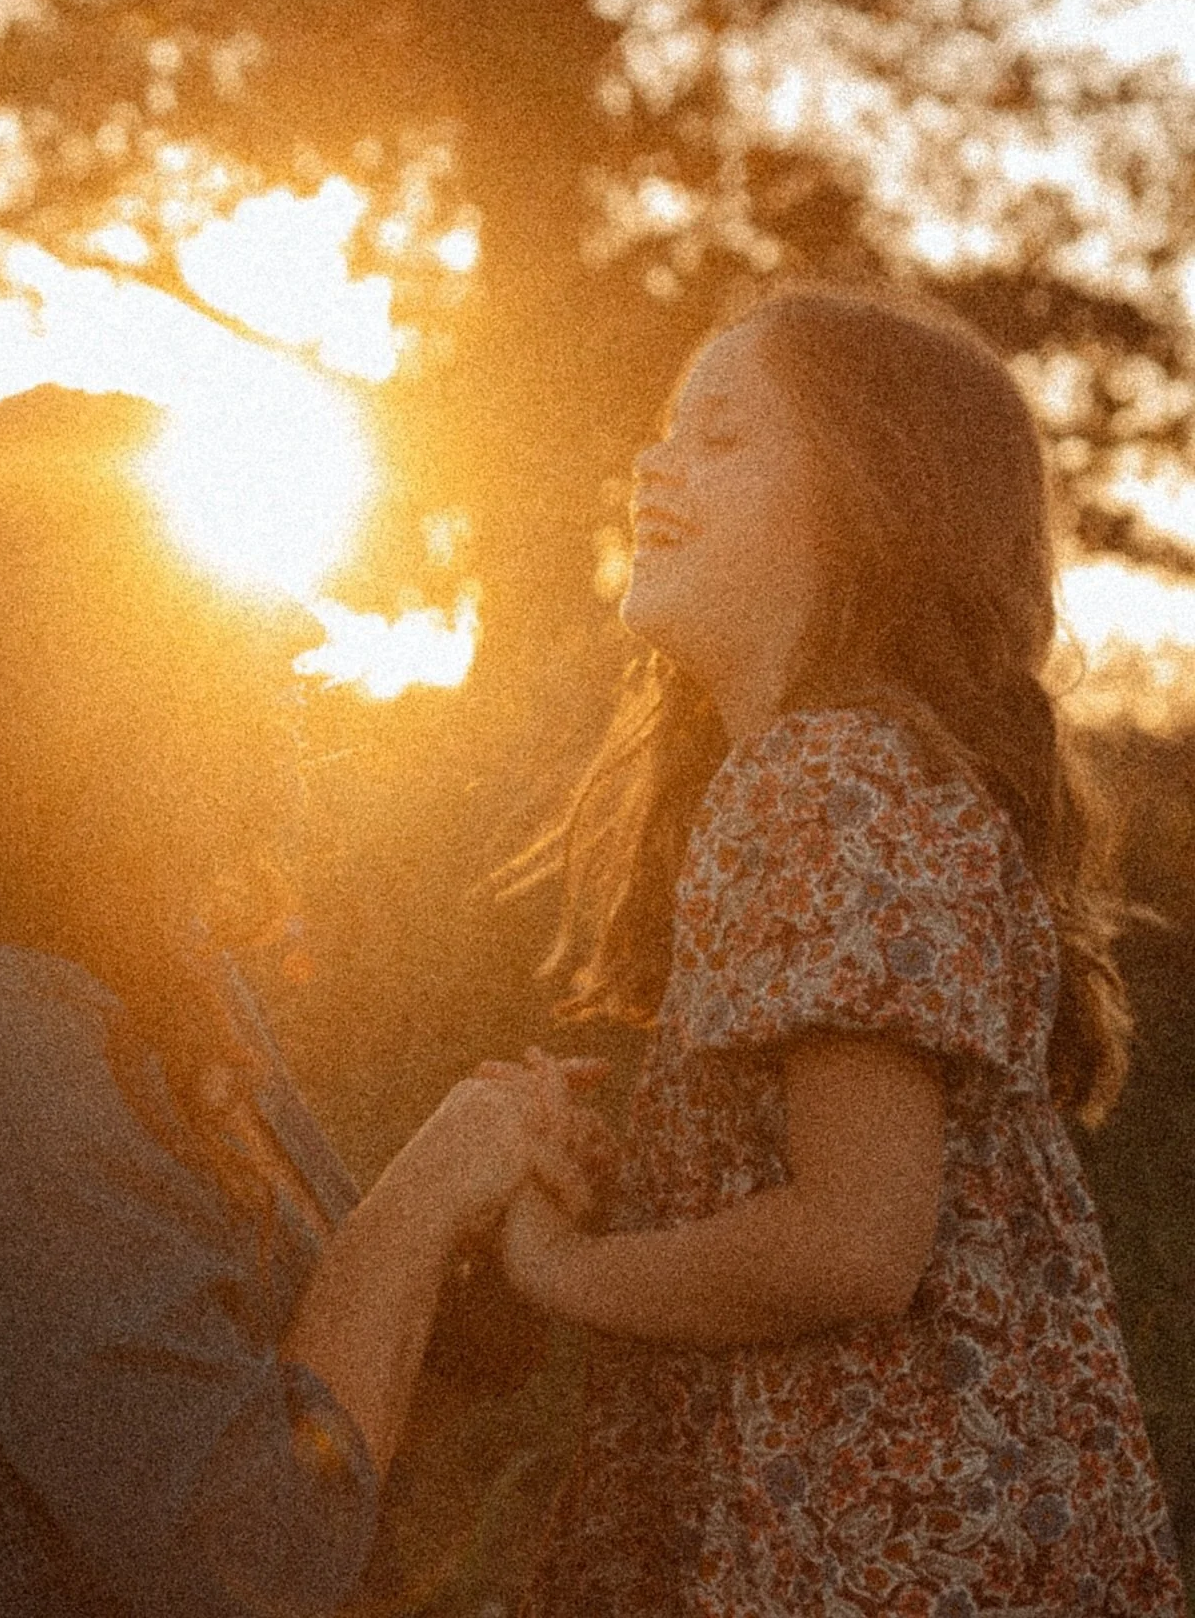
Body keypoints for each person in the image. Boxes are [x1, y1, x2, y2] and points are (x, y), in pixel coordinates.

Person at [0, 383, 597, 1618]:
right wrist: (421, 1198)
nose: (298, 638)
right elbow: (253, 1557)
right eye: (239, 613)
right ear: (84, 674)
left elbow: (324, 1427)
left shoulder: (166, 983)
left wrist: (503, 1247)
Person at [498, 287, 1188, 1616]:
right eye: (663, 432)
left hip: (882, 1554)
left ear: (873, 507)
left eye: (723, 436)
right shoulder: (851, 769)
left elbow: (853, 1245)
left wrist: (564, 1269)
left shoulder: (830, 776)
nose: (657, 463)